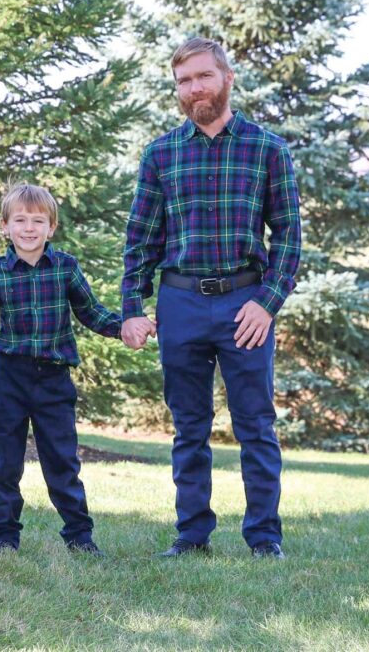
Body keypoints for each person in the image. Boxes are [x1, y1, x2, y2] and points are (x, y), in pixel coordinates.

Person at [121, 37, 301, 559]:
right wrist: (133, 305)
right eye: (183, 81)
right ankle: (192, 534)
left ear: (226, 78)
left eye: (202, 76)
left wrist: (267, 302)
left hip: (246, 304)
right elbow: (141, 239)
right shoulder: (161, 155)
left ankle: (265, 537)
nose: (193, 88)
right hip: (180, 304)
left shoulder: (267, 149)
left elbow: (288, 236)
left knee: (255, 426)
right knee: (189, 428)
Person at [0, 183, 122, 555]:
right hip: (11, 377)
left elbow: (91, 312)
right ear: (5, 226)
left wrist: (124, 327)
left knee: (62, 461)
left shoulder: (66, 267)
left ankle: (79, 537)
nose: (29, 228)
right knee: (4, 460)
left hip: (54, 379)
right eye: (20, 220)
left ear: (51, 227)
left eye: (38, 220)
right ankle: (4, 536)